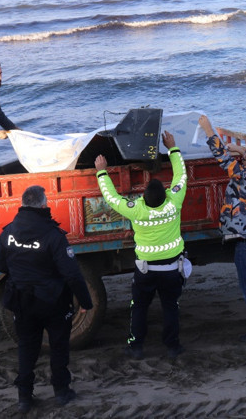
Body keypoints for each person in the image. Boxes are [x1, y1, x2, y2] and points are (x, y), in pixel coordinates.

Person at [0, 185, 93, 414]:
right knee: (58, 347)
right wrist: (86, 302)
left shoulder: (8, 232)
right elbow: (72, 274)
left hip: (22, 302)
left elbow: (0, 265)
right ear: (42, 204)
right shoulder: (53, 235)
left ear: (24, 204)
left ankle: (24, 398)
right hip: (53, 302)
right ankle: (61, 392)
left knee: (27, 349)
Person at [94, 130, 189, 360]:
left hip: (146, 271)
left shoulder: (136, 209)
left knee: (139, 307)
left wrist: (101, 172)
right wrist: (173, 148)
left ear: (143, 198)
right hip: (171, 270)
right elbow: (181, 176)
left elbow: (111, 198)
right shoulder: (174, 203)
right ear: (166, 195)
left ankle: (135, 347)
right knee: (171, 307)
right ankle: (173, 346)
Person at [198, 115, 246, 342]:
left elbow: (222, 157)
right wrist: (243, 153)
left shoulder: (243, 175)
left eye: (244, 161)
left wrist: (207, 129)